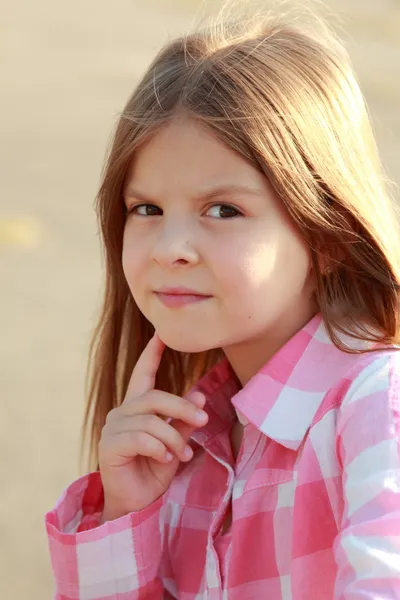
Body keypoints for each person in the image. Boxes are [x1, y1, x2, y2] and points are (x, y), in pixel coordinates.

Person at [45, 2, 400, 598]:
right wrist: (126, 516)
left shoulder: (378, 408)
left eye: (223, 210)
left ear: (327, 235)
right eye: (147, 209)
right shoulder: (180, 443)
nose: (171, 248)